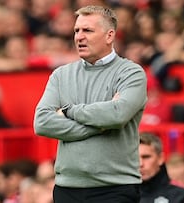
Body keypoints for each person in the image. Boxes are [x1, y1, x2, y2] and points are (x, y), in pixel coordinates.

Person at [33, 5, 147, 203]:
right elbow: (42, 123)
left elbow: (117, 115)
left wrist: (68, 111)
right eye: (76, 30)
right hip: (66, 188)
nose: (79, 37)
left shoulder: (132, 73)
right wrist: (100, 125)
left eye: (87, 30)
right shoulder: (61, 75)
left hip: (115, 188)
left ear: (109, 36)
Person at [139, 132, 184, 203]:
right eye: (134, 159)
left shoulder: (181, 194)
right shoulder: (125, 194)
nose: (140, 164)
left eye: (146, 157)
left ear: (160, 158)